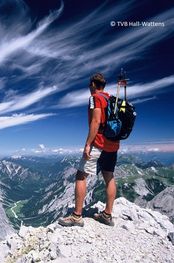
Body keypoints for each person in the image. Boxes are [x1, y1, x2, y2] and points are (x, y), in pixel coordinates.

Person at [58, 73, 119, 227]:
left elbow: (96, 120)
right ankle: (107, 215)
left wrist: (87, 144)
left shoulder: (95, 98)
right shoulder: (111, 99)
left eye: (89, 84)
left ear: (93, 84)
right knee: (109, 177)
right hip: (113, 144)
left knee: (80, 176)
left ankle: (77, 216)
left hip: (98, 143)